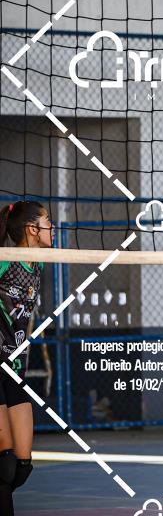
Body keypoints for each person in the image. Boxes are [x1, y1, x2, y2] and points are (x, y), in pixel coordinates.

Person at [0, 201, 53, 514]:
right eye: (48, 222)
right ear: (32, 229)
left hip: (15, 367)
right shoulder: (5, 260)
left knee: (21, 466)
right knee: (4, 464)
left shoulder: (39, 264)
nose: (53, 228)